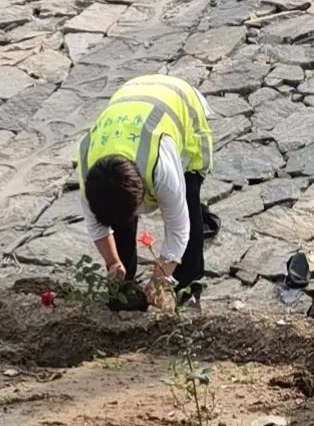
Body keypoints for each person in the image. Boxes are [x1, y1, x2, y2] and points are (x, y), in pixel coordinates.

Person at [77, 74, 214, 310]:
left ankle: (188, 287)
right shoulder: (90, 174)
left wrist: (160, 278)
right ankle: (125, 281)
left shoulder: (161, 164)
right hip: (130, 97)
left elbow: (178, 229)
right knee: (119, 219)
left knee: (188, 202)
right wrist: (113, 262)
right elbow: (97, 226)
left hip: (179, 102)